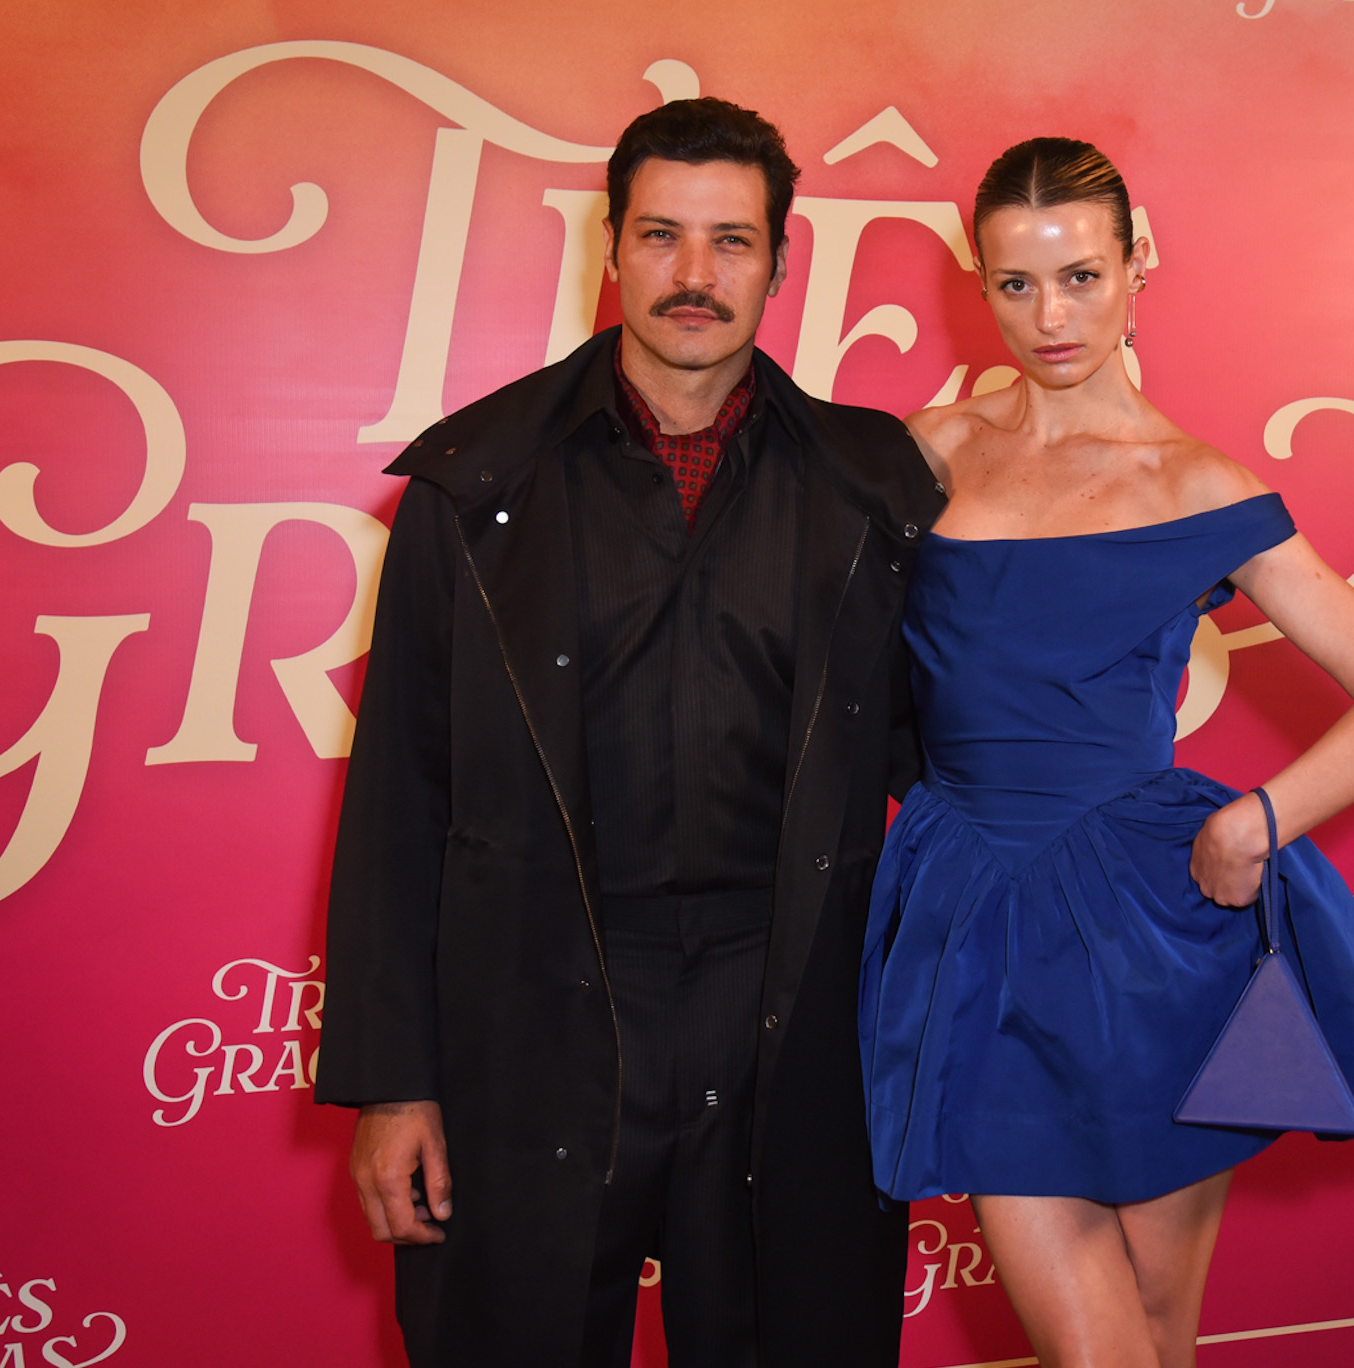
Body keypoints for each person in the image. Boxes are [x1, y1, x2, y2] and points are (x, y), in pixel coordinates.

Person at [315, 97, 943, 1368]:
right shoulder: (472, 484)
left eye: (731, 240)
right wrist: (393, 1083)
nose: (693, 274)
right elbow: (398, 800)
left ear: (778, 261)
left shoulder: (874, 486)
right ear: (609, 247)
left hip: (792, 1019)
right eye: (661, 235)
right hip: (528, 1016)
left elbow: (949, 765)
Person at [858, 138, 1354, 1368]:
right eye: (1015, 283)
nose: (1049, 317)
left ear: (1138, 266)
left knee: (1156, 1324)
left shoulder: (1197, 487)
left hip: (1147, 931)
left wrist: (1254, 821)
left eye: (1080, 276)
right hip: (974, 914)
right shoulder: (930, 449)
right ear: (980, 282)